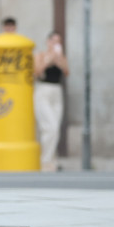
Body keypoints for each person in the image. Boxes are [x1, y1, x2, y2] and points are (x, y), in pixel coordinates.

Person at [33, 31, 69, 172]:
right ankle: (46, 161)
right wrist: (49, 59)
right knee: (49, 127)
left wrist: (59, 60)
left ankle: (51, 160)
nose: (56, 44)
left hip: (57, 91)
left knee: (55, 128)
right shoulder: (41, 55)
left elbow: (67, 72)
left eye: (58, 41)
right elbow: (37, 72)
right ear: (48, 42)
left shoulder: (61, 57)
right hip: (43, 90)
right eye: (53, 41)